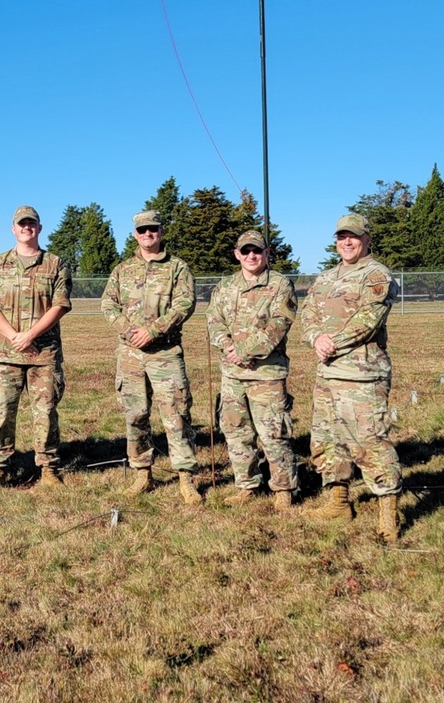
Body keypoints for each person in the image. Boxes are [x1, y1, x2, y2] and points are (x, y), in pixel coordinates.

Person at [300, 213, 402, 542]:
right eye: (342, 236)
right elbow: (308, 311)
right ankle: (338, 503)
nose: (347, 242)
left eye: (354, 236)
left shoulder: (377, 274)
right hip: (328, 371)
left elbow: (369, 320)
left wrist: (332, 342)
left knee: (370, 441)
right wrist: (316, 337)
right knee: (328, 439)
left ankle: (389, 512)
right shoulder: (327, 277)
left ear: (367, 239)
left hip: (362, 374)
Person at [100, 211, 202, 503]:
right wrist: (130, 331)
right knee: (135, 415)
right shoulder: (122, 270)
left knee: (176, 416)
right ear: (135, 234)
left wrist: (153, 331)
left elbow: (184, 304)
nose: (148, 235)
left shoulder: (177, 268)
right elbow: (108, 304)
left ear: (161, 232)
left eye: (153, 230)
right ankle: (142, 474)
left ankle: (185, 477)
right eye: (142, 230)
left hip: (165, 353)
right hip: (130, 355)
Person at [0, 205, 72, 487]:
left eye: (31, 224)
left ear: (39, 228)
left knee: (45, 413)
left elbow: (60, 305)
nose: (26, 228)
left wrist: (30, 335)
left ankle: (48, 468)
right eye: (21, 224)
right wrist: (13, 336)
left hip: (43, 354)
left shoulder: (55, 264)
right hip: (4, 354)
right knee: (1, 412)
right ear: (13, 229)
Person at [207, 230, 299, 510]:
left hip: (266, 374)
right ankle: (246, 483)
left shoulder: (280, 285)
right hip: (232, 373)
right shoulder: (225, 287)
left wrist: (244, 351)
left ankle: (283, 488)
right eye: (245, 251)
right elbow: (214, 320)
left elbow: (279, 325)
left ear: (267, 253)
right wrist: (227, 347)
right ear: (237, 254)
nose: (251, 256)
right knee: (236, 431)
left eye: (257, 251)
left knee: (273, 432)